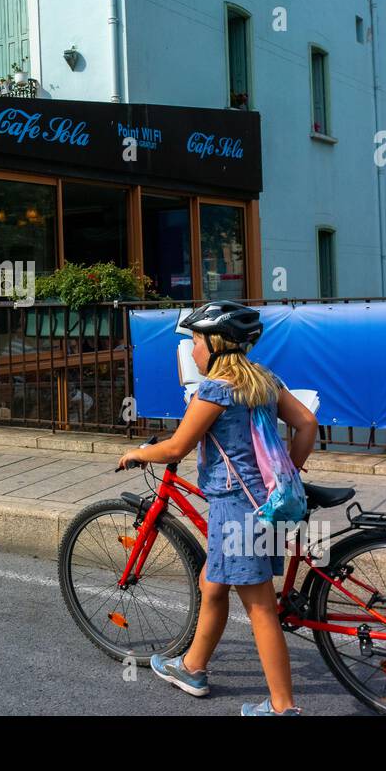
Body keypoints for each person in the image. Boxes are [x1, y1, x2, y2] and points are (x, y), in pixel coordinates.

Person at [116, 300, 318, 717]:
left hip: (236, 510)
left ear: (214, 343)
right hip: (261, 506)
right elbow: (307, 424)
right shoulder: (264, 380)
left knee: (259, 606)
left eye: (194, 341)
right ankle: (192, 667)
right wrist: (286, 475)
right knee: (213, 583)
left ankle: (283, 708)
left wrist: (136, 453)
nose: (192, 351)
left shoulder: (217, 389)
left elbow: (177, 446)